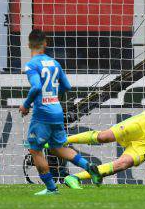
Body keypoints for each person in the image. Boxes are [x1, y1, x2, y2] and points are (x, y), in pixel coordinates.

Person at [19, 29, 102, 195]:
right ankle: (88, 167)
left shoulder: (31, 65)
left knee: (35, 150)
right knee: (58, 148)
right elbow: (67, 86)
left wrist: (26, 105)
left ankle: (51, 188)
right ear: (46, 43)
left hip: (42, 113)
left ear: (28, 45)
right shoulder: (55, 63)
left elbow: (36, 87)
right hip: (57, 110)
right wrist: (54, 97)